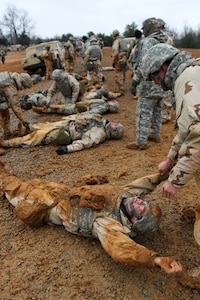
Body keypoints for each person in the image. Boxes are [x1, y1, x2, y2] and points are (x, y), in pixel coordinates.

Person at [0, 161, 183, 276]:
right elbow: (147, 182)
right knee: (34, 182)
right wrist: (173, 166)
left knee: (15, 189)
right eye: (144, 204)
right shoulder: (127, 197)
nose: (139, 203)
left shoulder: (107, 224)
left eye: (141, 211)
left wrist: (156, 260)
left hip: (49, 206)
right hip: (64, 191)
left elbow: (123, 249)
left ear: (133, 221)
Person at [140, 43, 200, 245]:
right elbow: (187, 128)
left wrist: (175, 181)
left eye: (154, 78)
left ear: (163, 68)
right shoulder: (191, 73)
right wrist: (170, 159)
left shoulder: (187, 81)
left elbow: (198, 133)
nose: (156, 84)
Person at [127, 17, 170, 150]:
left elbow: (145, 63)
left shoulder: (148, 42)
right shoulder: (166, 41)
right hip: (162, 83)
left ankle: (141, 141)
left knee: (143, 112)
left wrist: (135, 81)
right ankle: (155, 134)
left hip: (149, 82)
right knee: (157, 110)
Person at [0, 113, 124, 155]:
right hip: (67, 123)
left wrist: (67, 149)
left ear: (112, 133)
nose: (113, 124)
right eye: (116, 124)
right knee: (43, 125)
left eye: (115, 127)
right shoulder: (100, 120)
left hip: (66, 133)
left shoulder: (99, 133)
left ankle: (8, 143)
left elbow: (84, 143)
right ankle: (29, 128)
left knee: (37, 137)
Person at [0, 72, 32, 156]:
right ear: (21, 82)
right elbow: (16, 107)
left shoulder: (10, 76)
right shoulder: (10, 86)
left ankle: (6, 133)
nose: (23, 88)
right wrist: (24, 121)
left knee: (4, 111)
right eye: (24, 86)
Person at [111, 29, 130, 94]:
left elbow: (115, 51)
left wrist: (113, 61)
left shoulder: (117, 41)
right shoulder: (123, 40)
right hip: (124, 58)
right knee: (123, 72)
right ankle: (122, 86)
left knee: (118, 73)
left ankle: (121, 89)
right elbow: (127, 50)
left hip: (119, 59)